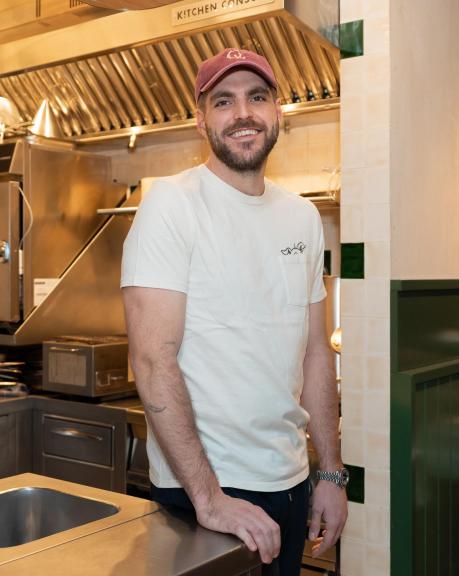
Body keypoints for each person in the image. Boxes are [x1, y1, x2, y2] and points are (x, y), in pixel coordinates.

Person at [120, 47, 347, 575]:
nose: (243, 113)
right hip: (205, 491)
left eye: (257, 97)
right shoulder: (170, 204)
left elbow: (315, 351)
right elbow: (153, 361)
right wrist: (209, 498)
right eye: (224, 101)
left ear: (277, 114)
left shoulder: (303, 217)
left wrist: (330, 475)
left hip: (290, 484)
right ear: (201, 120)